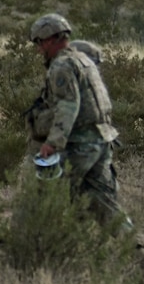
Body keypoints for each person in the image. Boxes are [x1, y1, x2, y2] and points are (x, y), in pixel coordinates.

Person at [29, 13, 129, 230]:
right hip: (102, 141)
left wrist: (53, 143)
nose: (39, 49)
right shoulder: (84, 60)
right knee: (104, 203)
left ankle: (42, 246)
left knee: (48, 194)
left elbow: (67, 105)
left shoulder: (62, 65)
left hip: (81, 143)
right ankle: (134, 246)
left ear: (49, 39)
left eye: (39, 43)